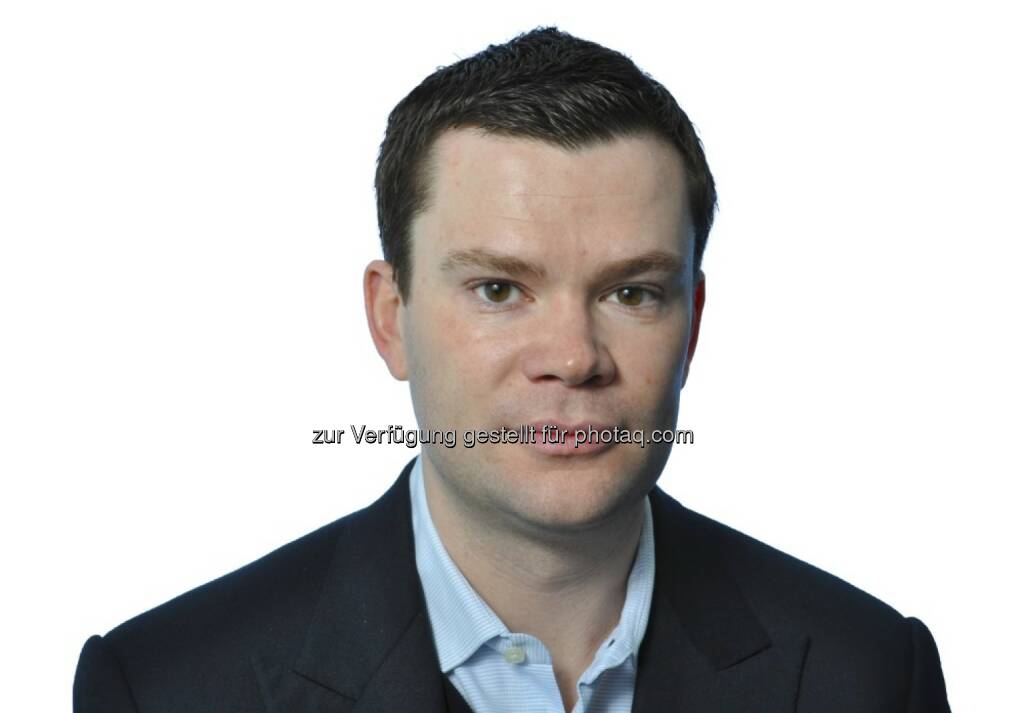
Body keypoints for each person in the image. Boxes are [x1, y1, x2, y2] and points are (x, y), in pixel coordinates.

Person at [73, 26, 951, 712]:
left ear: (692, 325)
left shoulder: (871, 675)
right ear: (390, 318)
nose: (573, 356)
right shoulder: (163, 689)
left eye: (632, 293)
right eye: (499, 289)